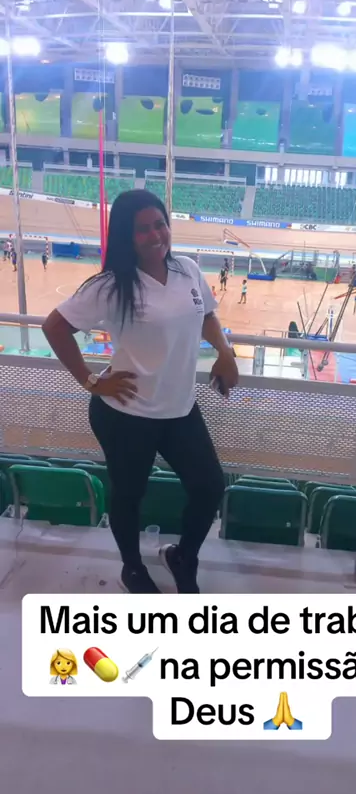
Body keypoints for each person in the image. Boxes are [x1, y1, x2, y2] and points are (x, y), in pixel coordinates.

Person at [42, 189, 239, 595]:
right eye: (143, 229)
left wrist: (224, 352)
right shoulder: (111, 285)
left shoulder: (187, 269)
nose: (156, 235)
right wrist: (90, 380)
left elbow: (206, 314)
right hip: (126, 413)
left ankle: (183, 557)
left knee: (209, 487)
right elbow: (54, 327)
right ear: (126, 236)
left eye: (160, 224)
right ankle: (132, 568)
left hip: (180, 409)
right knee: (129, 496)